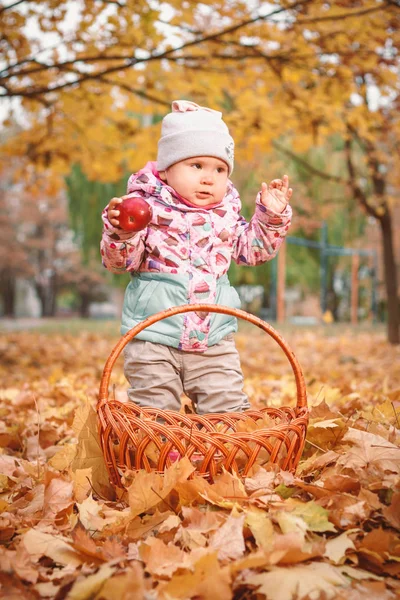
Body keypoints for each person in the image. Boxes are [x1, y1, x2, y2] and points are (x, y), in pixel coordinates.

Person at [101, 100, 292, 416]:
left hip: (213, 339)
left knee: (228, 410)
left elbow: (252, 250)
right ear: (166, 170)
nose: (209, 178)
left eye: (219, 169)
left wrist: (271, 217)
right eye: (197, 166)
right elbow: (120, 263)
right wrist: (123, 232)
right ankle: (160, 458)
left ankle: (223, 455)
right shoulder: (145, 210)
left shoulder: (227, 214)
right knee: (154, 412)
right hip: (153, 337)